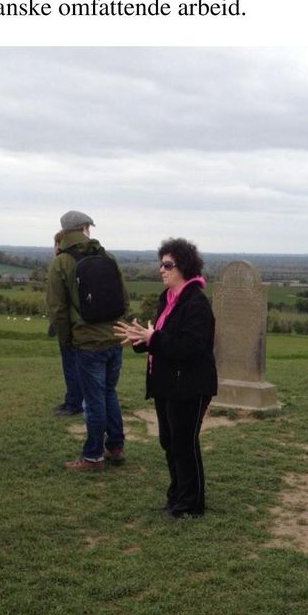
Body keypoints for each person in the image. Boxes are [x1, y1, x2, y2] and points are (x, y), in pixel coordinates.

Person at [115, 238, 217, 518]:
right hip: (167, 384)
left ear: (183, 266)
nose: (161, 269)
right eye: (160, 264)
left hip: (190, 386)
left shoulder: (195, 303)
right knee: (169, 443)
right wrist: (142, 340)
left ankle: (191, 504)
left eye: (167, 264)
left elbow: (191, 347)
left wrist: (154, 338)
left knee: (184, 444)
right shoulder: (168, 299)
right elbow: (163, 340)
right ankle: (176, 497)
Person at [47, 210, 128, 470]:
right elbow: (123, 300)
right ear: (84, 228)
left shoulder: (61, 263)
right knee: (109, 394)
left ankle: (93, 455)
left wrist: (67, 339)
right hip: (113, 339)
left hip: (87, 343)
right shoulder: (108, 257)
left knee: (93, 401)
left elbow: (58, 309)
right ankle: (115, 446)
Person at [49, 229, 84, 418]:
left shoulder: (62, 262)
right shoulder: (82, 261)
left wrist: (63, 335)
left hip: (71, 325)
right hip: (86, 325)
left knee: (71, 366)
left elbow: (58, 304)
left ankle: (73, 403)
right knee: (77, 367)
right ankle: (73, 400)